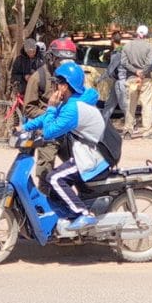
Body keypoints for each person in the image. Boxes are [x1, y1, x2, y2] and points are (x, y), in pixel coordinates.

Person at [22, 61, 108, 231]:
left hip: (92, 157)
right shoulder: (72, 102)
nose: (56, 86)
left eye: (59, 83)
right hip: (85, 152)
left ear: (66, 86)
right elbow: (46, 118)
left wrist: (52, 106)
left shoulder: (73, 108)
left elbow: (49, 131)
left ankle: (83, 214)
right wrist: (24, 128)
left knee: (54, 178)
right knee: (51, 178)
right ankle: (64, 214)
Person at [24, 36, 78, 188]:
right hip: (49, 131)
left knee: (80, 165)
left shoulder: (71, 75)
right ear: (50, 58)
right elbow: (28, 108)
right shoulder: (38, 77)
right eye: (60, 60)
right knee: (46, 172)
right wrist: (50, 113)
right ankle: (44, 203)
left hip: (70, 129)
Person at [121, 24, 152, 138]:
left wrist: (135, 71)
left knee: (130, 105)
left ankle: (127, 131)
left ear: (136, 33)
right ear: (146, 34)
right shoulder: (149, 46)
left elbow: (124, 63)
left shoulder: (127, 46)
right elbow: (150, 63)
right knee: (146, 105)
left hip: (131, 79)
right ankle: (147, 131)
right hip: (145, 79)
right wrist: (142, 73)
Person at [98, 31, 128, 124]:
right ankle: (102, 124)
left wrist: (99, 80)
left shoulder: (117, 52)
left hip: (120, 82)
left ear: (112, 40)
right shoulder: (122, 49)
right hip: (117, 81)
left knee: (123, 105)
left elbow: (110, 69)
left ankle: (132, 125)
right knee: (109, 104)